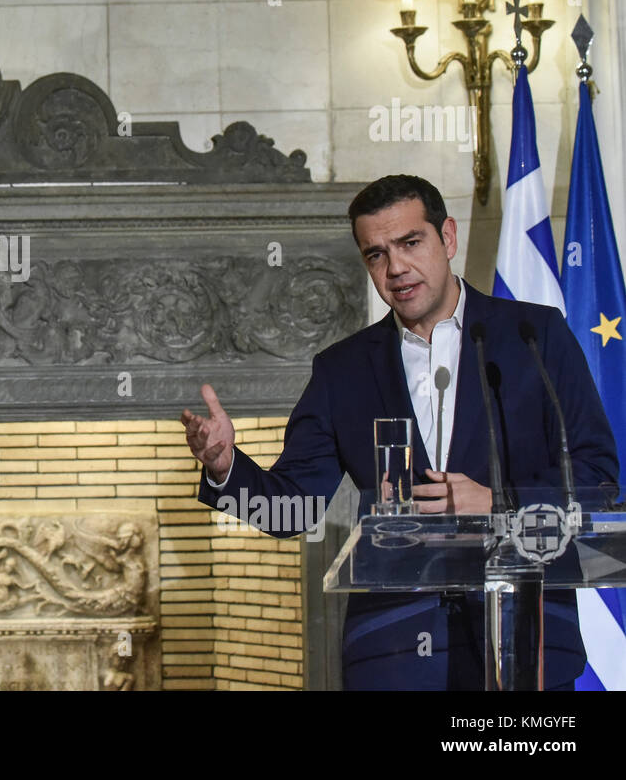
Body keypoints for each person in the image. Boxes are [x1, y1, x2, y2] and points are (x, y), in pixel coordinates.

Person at [181, 175, 618, 689]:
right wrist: (225, 467)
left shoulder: (534, 336)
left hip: (526, 643)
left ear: (447, 238)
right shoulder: (342, 370)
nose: (395, 269)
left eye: (410, 243)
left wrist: (500, 501)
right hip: (394, 653)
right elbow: (292, 511)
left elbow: (597, 479)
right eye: (375, 254)